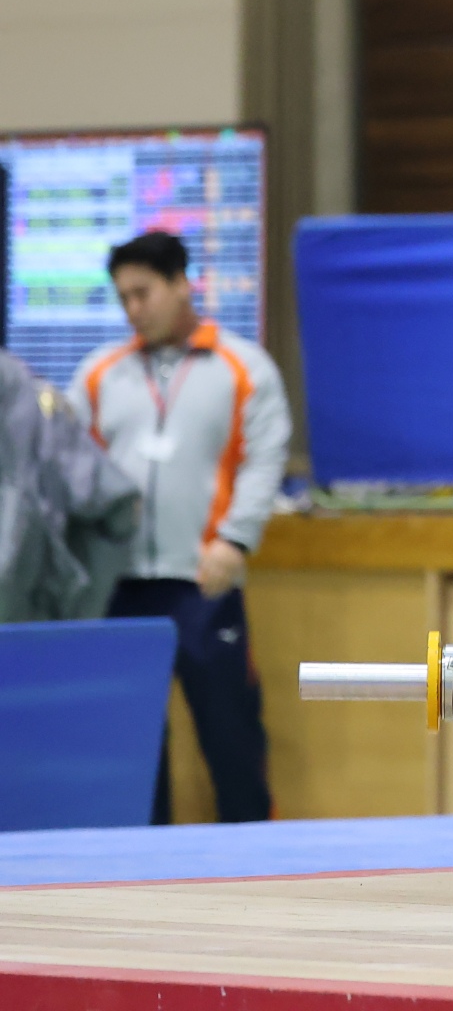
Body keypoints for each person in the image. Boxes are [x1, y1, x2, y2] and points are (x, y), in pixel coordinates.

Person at [70, 230, 290, 823]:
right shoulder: (100, 374)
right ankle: (140, 860)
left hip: (203, 582)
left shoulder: (242, 367)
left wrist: (236, 539)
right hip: (119, 587)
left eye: (143, 293)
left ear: (180, 283)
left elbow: (264, 458)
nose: (133, 309)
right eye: (123, 298)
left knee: (230, 734)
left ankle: (254, 854)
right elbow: (69, 464)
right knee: (132, 745)